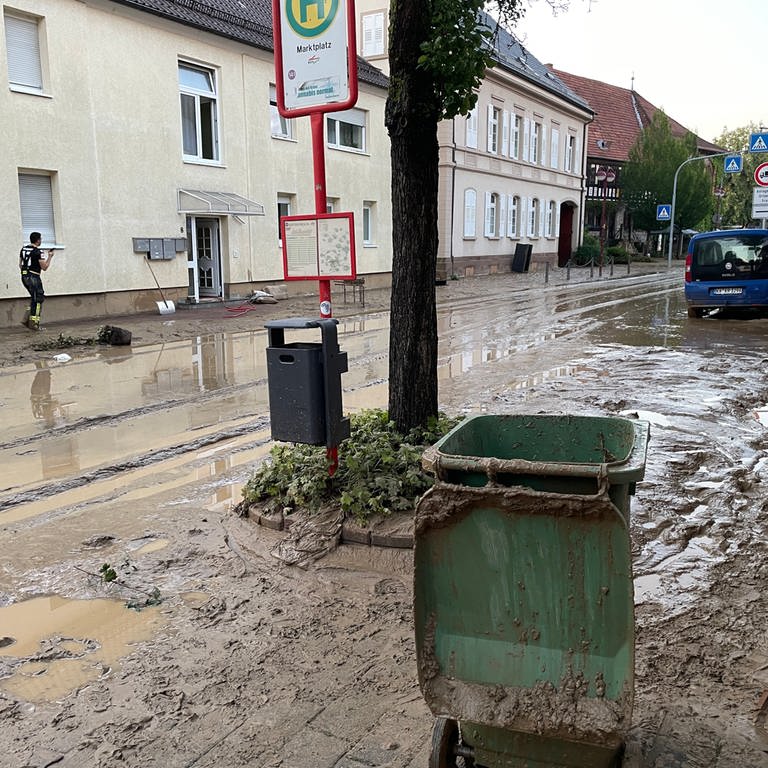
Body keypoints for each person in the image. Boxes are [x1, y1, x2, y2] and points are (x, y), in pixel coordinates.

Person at [19, 231, 54, 330]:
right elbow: (44, 267)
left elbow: (20, 265)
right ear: (38, 240)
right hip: (34, 277)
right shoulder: (38, 252)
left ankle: (27, 320)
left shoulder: (23, 249)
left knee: (34, 298)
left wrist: (26, 274)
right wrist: (50, 256)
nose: (41, 241)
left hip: (24, 277)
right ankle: (34, 324)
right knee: (38, 299)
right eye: (41, 239)